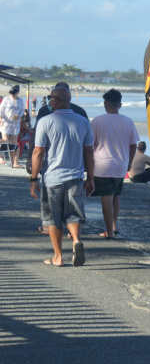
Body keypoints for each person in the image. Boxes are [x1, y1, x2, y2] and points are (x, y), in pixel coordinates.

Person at [28, 86, 95, 267]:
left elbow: (38, 152)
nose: (49, 101)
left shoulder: (46, 121)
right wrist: (91, 178)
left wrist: (34, 179)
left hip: (52, 179)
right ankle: (75, 241)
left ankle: (58, 257)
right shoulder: (83, 122)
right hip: (75, 177)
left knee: (52, 219)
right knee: (73, 215)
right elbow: (89, 152)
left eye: (51, 98)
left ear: (55, 101)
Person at [90, 89, 139, 238]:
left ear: (105, 104)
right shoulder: (128, 121)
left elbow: (91, 144)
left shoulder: (98, 120)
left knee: (106, 197)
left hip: (102, 165)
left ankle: (109, 232)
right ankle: (114, 226)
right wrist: (130, 162)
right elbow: (133, 145)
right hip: (121, 164)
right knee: (116, 195)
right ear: (120, 105)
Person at [0, 84, 26, 167]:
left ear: (17, 93)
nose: (12, 95)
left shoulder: (20, 100)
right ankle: (3, 158)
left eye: (14, 93)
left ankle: (15, 162)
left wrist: (19, 116)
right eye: (11, 93)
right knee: (5, 140)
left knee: (14, 144)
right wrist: (0, 119)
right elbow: (1, 110)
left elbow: (22, 110)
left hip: (15, 124)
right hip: (6, 123)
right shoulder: (7, 99)